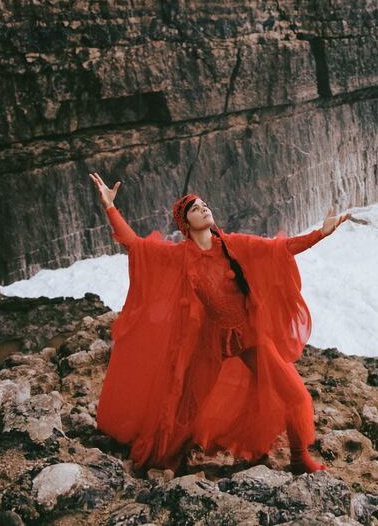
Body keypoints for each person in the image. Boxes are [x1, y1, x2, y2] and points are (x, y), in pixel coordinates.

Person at [89, 172, 350, 475]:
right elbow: (135, 245)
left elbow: (283, 248)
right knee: (187, 407)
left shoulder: (234, 245)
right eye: (194, 208)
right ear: (185, 223)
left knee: (295, 395)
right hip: (210, 342)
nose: (203, 208)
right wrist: (110, 207)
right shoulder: (180, 256)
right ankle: (169, 457)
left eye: (204, 204)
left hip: (250, 336)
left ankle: (298, 458)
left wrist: (320, 233)